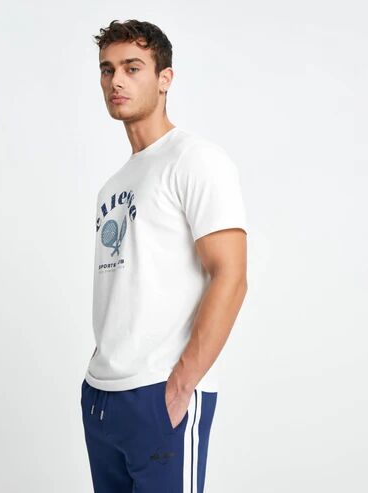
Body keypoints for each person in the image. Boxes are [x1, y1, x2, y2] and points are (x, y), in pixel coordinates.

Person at [80, 18, 248, 493]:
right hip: (102, 397)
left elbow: (231, 275)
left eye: (132, 68)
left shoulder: (195, 160)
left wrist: (180, 386)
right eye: (108, 69)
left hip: (159, 394)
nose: (116, 80)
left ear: (164, 78)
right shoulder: (113, 185)